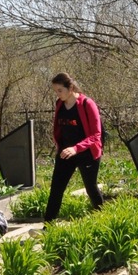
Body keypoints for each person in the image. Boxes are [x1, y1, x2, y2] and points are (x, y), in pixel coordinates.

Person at [45, 72, 104, 223]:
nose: (58, 94)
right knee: (56, 189)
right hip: (66, 153)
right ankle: (48, 227)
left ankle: (104, 221)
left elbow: (96, 135)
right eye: (55, 91)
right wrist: (61, 146)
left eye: (60, 90)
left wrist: (76, 148)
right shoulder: (59, 104)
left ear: (70, 88)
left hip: (87, 153)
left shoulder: (87, 104)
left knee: (91, 188)